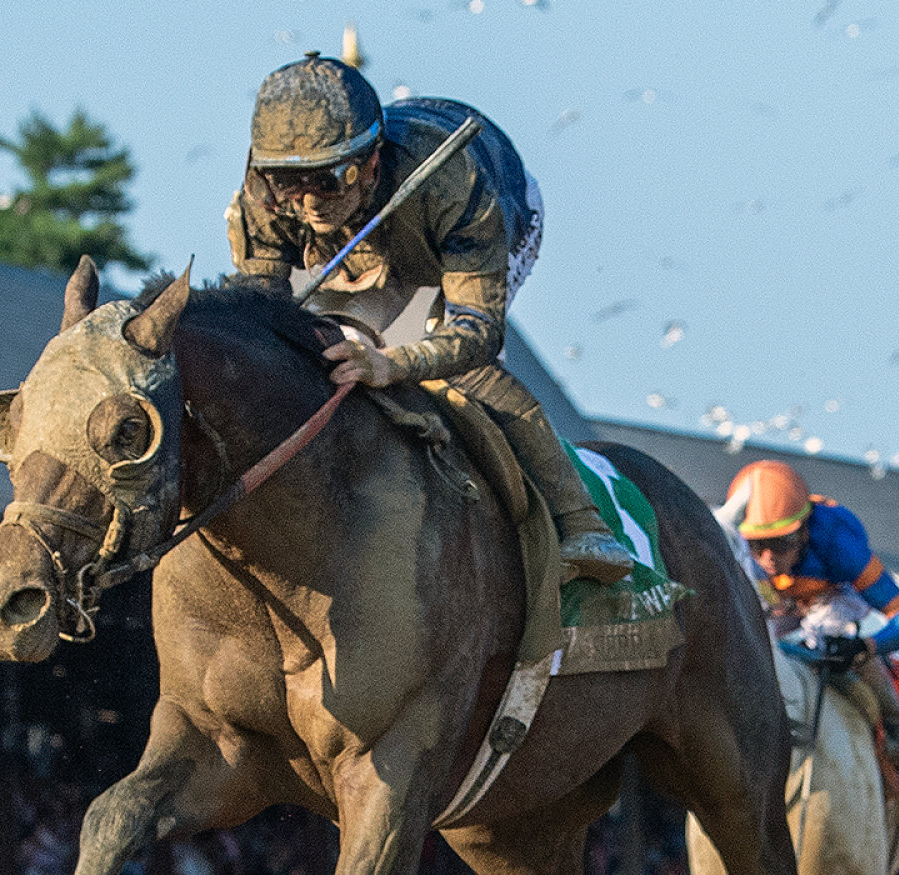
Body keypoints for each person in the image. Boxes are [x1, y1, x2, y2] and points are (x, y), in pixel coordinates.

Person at [227, 53, 635, 584]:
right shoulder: (264, 192)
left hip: (493, 206)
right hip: (372, 245)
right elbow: (258, 316)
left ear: (372, 159)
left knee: (449, 366)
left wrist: (391, 364)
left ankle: (582, 523)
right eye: (289, 182)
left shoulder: (455, 184)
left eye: (328, 180)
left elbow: (477, 333)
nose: (307, 203)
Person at [724, 459, 899, 772]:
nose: (767, 558)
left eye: (780, 544)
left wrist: (864, 648)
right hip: (781, 604)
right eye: (757, 544)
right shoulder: (736, 546)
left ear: (804, 531)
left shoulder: (837, 542)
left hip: (832, 599)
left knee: (829, 639)